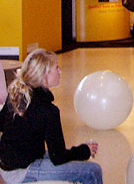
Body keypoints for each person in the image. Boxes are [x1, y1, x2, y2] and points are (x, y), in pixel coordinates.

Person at [0, 49, 102, 184]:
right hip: (22, 171)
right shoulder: (48, 110)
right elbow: (58, 157)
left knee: (76, 160)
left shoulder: (17, 92)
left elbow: (1, 124)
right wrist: (84, 151)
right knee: (93, 171)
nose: (60, 71)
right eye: (56, 68)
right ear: (44, 75)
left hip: (8, 165)